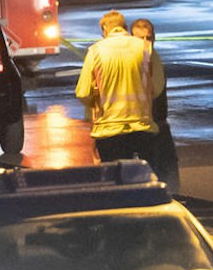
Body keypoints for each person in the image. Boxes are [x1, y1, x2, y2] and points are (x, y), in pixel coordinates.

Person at [75, 10, 154, 163]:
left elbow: (83, 92)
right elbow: (154, 86)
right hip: (141, 125)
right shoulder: (144, 47)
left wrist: (95, 104)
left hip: (108, 128)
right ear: (124, 27)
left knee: (115, 176)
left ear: (105, 29)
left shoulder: (95, 51)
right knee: (142, 176)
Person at [131, 17, 181, 189]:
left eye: (148, 38)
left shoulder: (154, 58)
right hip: (141, 124)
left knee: (166, 165)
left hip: (158, 121)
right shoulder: (134, 61)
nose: (145, 43)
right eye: (140, 39)